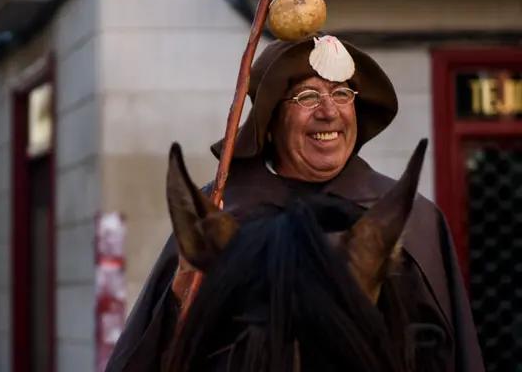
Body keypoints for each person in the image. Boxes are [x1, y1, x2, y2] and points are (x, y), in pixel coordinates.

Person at [104, 34, 484, 371]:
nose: (329, 111)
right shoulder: (222, 210)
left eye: (341, 94)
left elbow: (448, 352)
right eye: (307, 96)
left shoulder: (412, 217)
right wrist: (186, 286)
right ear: (269, 123)